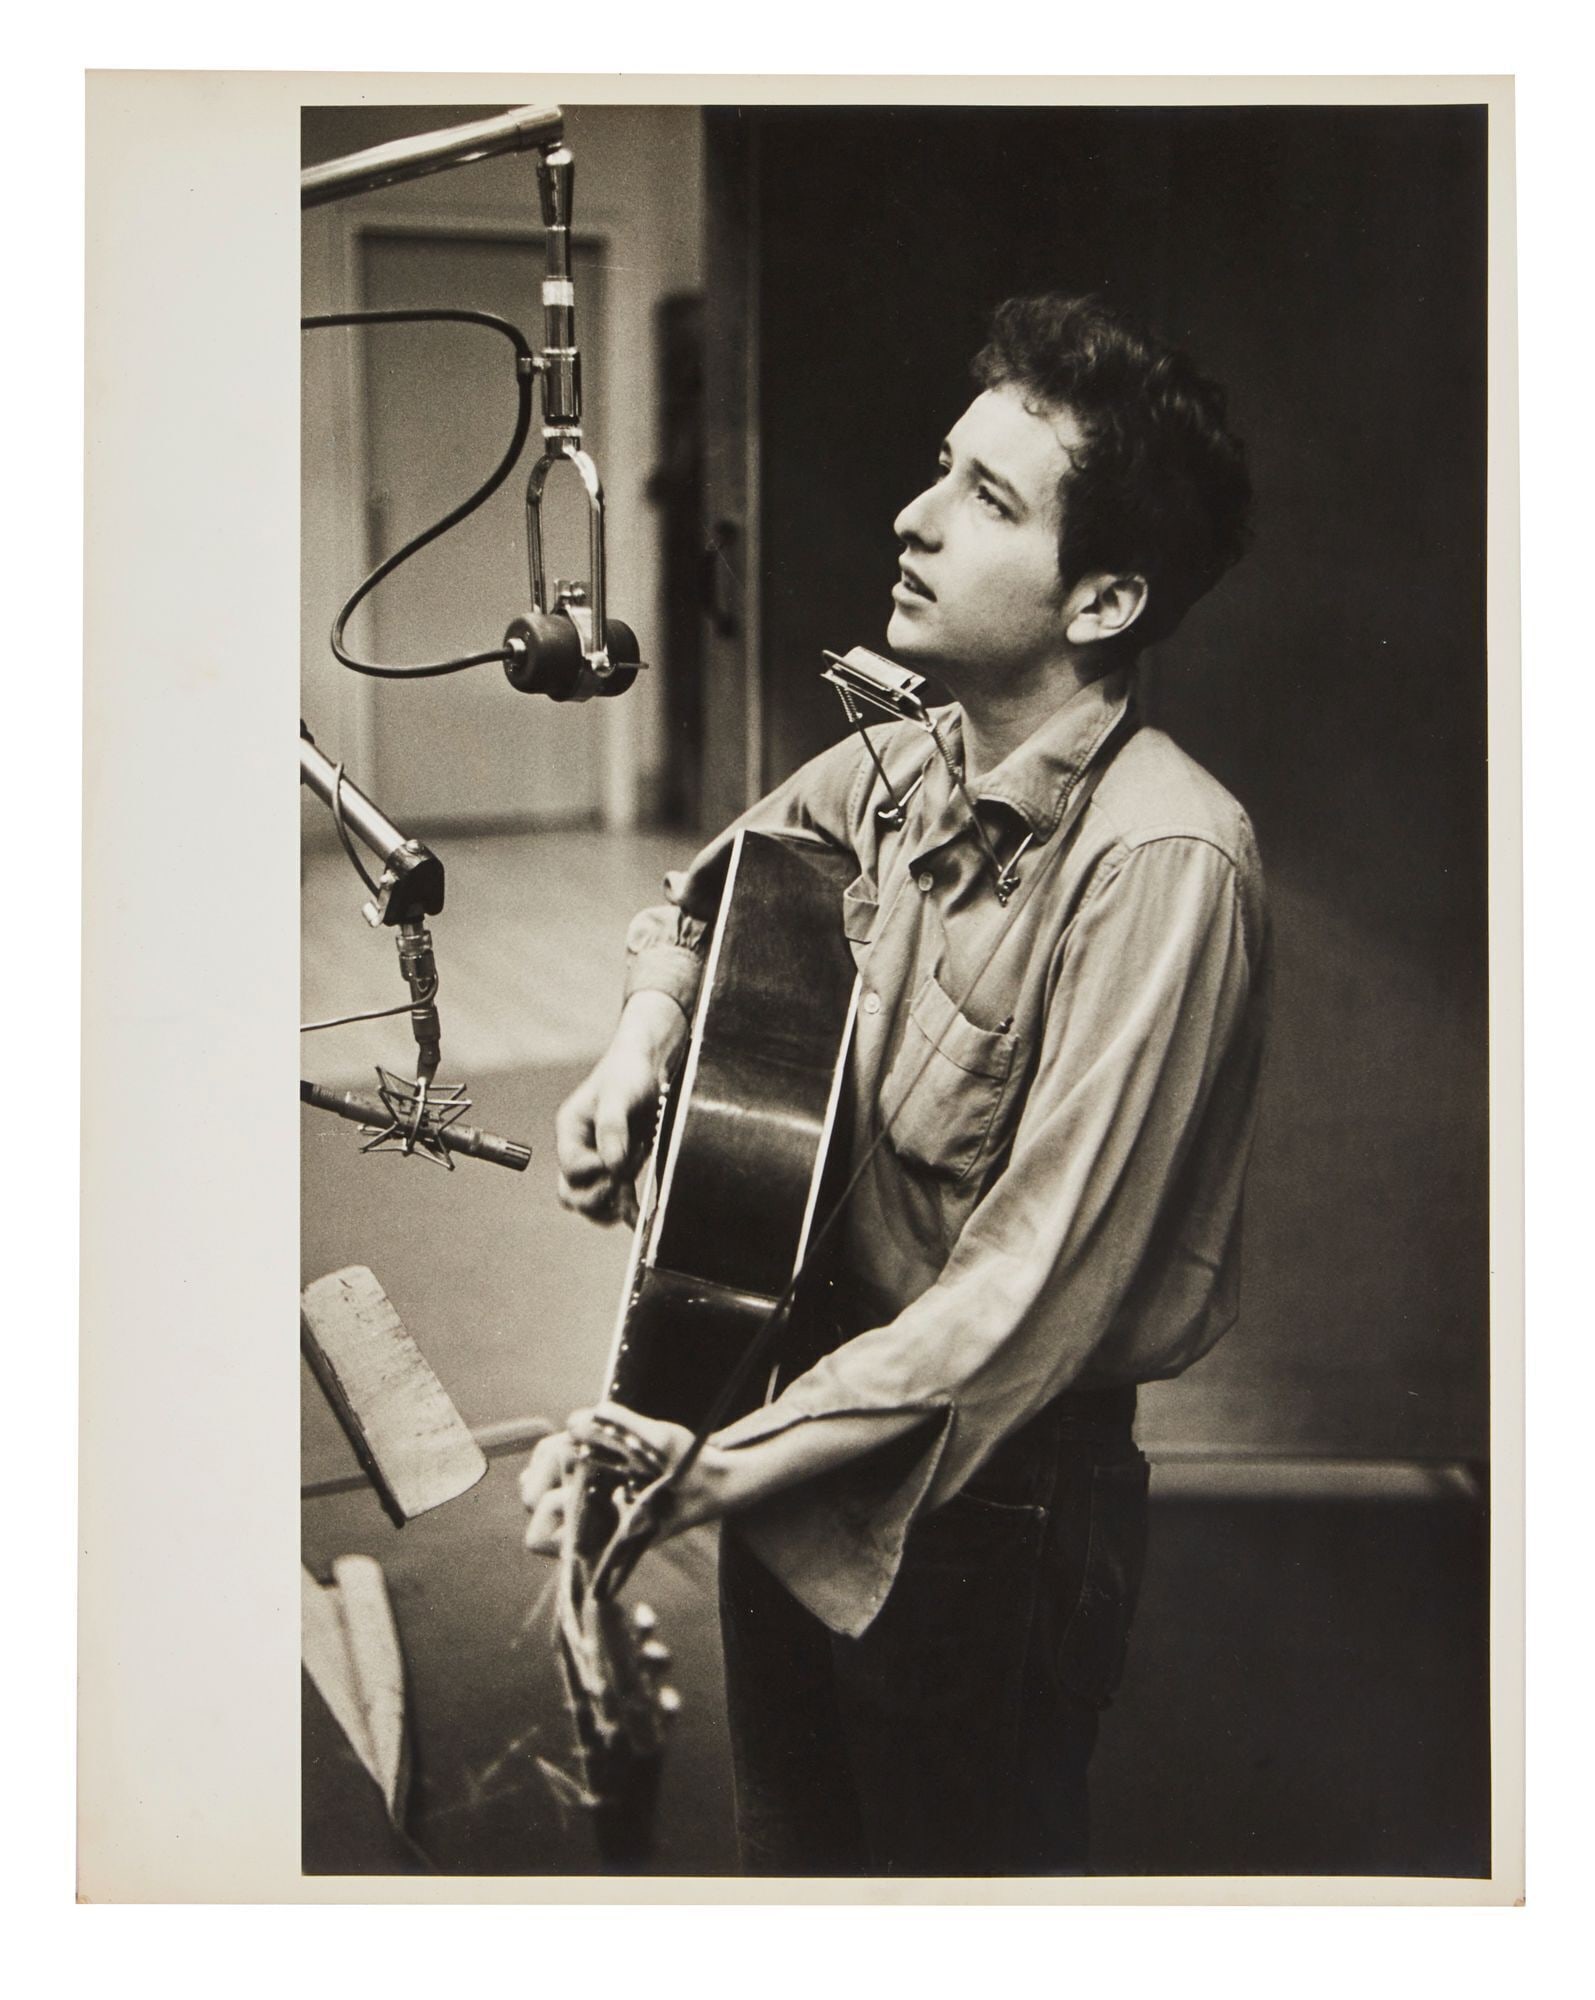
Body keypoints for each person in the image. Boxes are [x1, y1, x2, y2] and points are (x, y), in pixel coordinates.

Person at [521, 292, 1269, 1877]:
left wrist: (712, 1463)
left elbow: (1023, 1290)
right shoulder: (912, 753)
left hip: (984, 1504)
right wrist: (645, 1037)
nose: (912, 519)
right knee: (799, 1874)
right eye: (944, 468)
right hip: (789, 1416)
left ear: (1108, 595)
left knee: (958, 1912)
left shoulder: (1166, 860)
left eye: (988, 499)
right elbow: (728, 883)